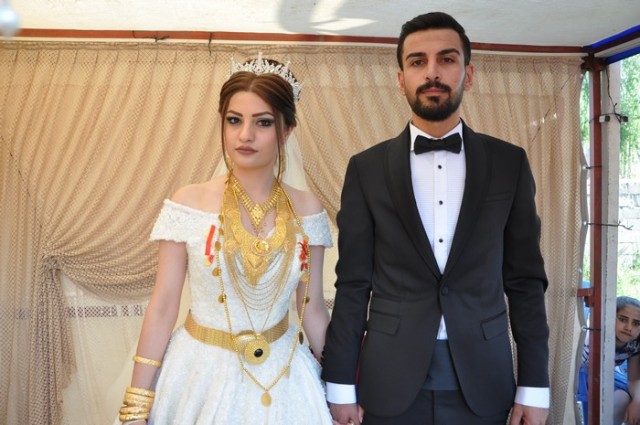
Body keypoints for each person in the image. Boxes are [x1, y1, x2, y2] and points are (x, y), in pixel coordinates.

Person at [321, 11, 550, 425]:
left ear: (469, 74)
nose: (432, 72)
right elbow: (353, 283)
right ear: (400, 79)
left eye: (446, 59)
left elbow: (526, 282)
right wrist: (339, 384)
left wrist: (534, 387)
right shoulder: (365, 169)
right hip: (387, 383)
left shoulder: (509, 163)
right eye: (417, 62)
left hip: (485, 381)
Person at [116, 54, 334, 424]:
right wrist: (137, 403)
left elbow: (311, 309)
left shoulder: (307, 209)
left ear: (287, 131)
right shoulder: (188, 202)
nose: (245, 135)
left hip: (284, 375)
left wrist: (343, 387)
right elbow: (164, 305)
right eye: (234, 120)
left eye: (263, 122)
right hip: (198, 372)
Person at [578, 295, 640, 425]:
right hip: (579, 373)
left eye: (636, 323)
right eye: (623, 319)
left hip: (606, 374)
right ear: (610, 317)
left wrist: (637, 401)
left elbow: (633, 379)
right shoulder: (594, 334)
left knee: (624, 399)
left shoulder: (635, 343)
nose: (629, 327)